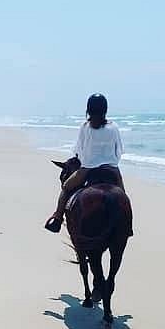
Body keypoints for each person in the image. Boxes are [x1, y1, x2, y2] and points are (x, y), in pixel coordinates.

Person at [44, 93, 124, 233]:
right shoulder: (114, 127)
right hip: (112, 170)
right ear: (105, 109)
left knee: (66, 187)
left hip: (88, 169)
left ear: (88, 109)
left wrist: (85, 159)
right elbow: (119, 151)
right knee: (123, 197)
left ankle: (57, 218)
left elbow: (79, 150)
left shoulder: (85, 127)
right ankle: (126, 227)